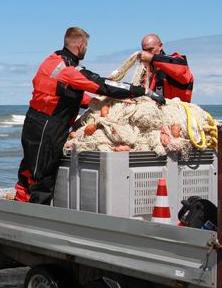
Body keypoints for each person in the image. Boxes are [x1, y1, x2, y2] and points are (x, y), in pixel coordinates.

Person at [14, 27, 164, 204]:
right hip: (48, 127)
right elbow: (102, 84)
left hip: (35, 121)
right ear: (79, 45)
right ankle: (35, 221)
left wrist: (94, 103)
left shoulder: (51, 60)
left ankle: (19, 206)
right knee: (42, 177)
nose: (86, 50)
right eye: (86, 46)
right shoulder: (69, 69)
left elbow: (60, 92)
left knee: (28, 171)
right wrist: (141, 91)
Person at [138, 33, 194, 102]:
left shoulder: (174, 63)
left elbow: (180, 68)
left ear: (160, 46)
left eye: (150, 50)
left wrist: (152, 58)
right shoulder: (145, 71)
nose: (146, 53)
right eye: (144, 50)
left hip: (176, 110)